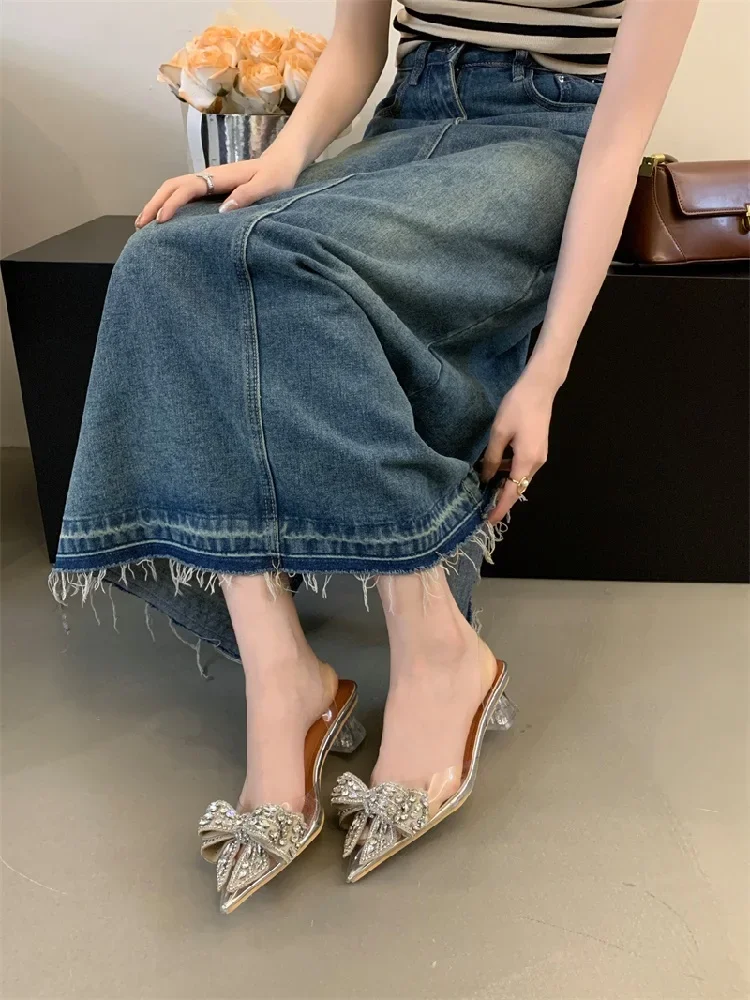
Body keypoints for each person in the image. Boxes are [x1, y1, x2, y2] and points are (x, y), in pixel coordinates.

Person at [51, 0, 698, 912]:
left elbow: (618, 137)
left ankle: (440, 655)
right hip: (407, 122)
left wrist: (546, 374)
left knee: (300, 272)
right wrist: (283, 160)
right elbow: (359, 46)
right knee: (165, 259)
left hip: (549, 142)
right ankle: (284, 679)